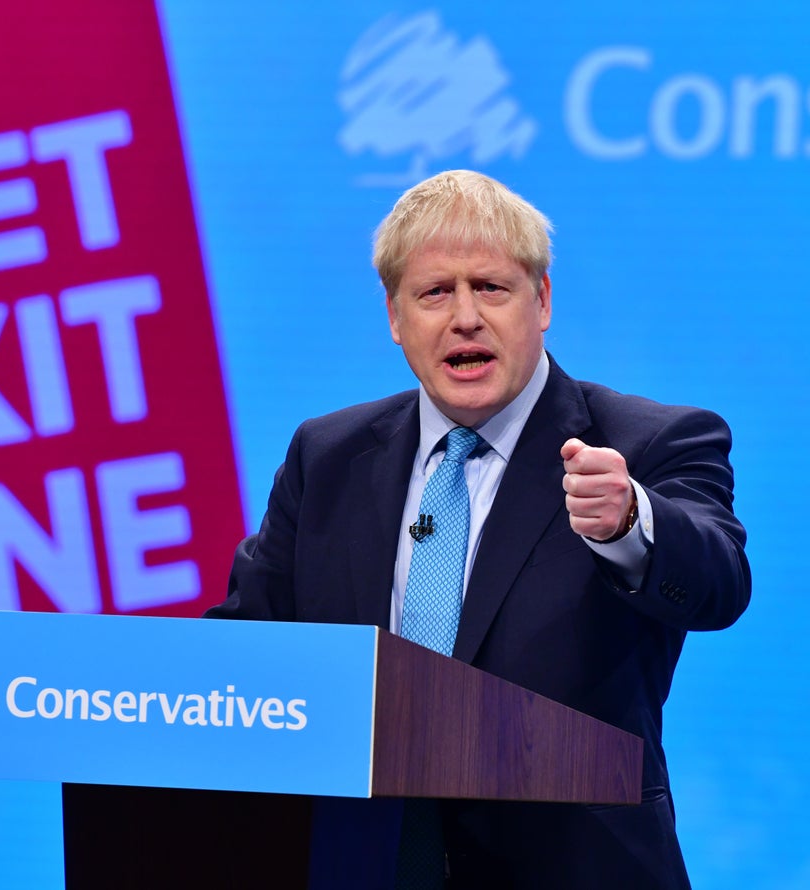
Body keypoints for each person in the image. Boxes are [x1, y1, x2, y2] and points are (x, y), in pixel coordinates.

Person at [205, 170, 750, 888]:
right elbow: (247, 647)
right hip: (364, 861)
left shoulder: (647, 445)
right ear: (395, 318)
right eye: (435, 293)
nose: (465, 317)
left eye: (491, 287)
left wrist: (629, 521)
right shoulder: (327, 456)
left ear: (543, 300)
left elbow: (719, 583)